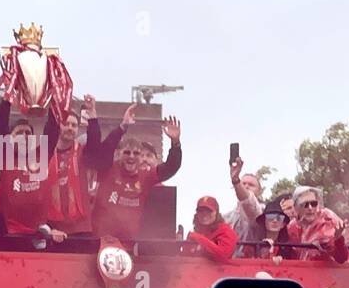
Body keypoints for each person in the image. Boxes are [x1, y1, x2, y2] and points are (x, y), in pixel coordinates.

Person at [91, 117, 183, 245]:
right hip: (101, 242)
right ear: (118, 154)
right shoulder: (107, 168)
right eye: (127, 153)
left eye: (136, 153)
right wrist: (122, 127)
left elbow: (171, 167)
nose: (131, 157)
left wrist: (175, 142)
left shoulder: (146, 175)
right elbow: (97, 151)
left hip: (130, 244)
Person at [0, 100, 65, 244]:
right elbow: (0, 126)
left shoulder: (40, 154)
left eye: (28, 133)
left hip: (39, 232)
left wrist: (54, 98)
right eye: (19, 132)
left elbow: (52, 129)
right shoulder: (4, 155)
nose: (24, 136)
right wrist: (8, 98)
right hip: (11, 232)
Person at [47, 97, 125, 235]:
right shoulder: (46, 153)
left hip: (80, 227)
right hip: (53, 227)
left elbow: (96, 142)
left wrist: (92, 115)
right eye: (66, 124)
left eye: (74, 125)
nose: (70, 128)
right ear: (59, 125)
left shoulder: (83, 153)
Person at [286, 186, 346, 263]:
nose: (310, 208)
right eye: (305, 204)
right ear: (296, 207)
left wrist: (338, 240)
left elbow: (341, 259)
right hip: (299, 271)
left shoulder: (327, 220)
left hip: (325, 272)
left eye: (313, 203)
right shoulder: (291, 226)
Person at [224, 156, 265, 256]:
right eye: (244, 183)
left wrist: (236, 180)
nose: (246, 186)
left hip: (251, 264)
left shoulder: (262, 212)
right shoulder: (226, 217)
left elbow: (248, 202)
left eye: (251, 185)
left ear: (259, 191)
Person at [182, 196, 238, 261]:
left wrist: (198, 238)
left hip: (220, 270)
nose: (204, 214)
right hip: (194, 270)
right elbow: (185, 257)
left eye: (209, 211)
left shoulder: (226, 232)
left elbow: (223, 255)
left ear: (216, 213)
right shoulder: (196, 233)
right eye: (200, 211)